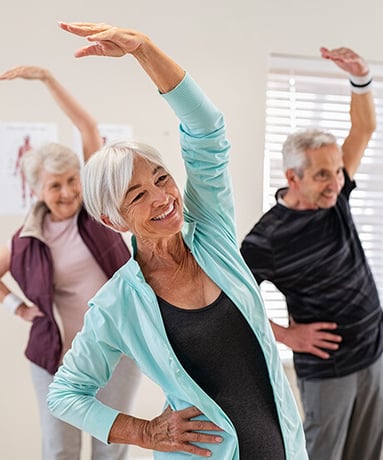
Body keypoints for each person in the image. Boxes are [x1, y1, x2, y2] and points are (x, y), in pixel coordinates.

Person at [47, 22, 308, 460]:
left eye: (161, 178)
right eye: (137, 195)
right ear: (114, 220)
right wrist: (144, 432)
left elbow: (206, 127)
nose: (163, 198)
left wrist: (143, 49)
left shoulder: (212, 234)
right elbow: (66, 393)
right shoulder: (118, 303)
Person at [240, 47, 383, 460]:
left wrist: (360, 77)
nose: (336, 181)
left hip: (373, 349)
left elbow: (365, 128)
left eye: (337, 170)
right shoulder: (267, 238)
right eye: (323, 174)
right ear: (292, 177)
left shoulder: (334, 196)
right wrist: (286, 336)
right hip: (329, 368)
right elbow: (229, 304)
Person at [0, 65, 141, 460]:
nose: (67, 192)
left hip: (117, 350)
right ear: (37, 190)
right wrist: (18, 307)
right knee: (59, 450)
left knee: (109, 449)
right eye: (55, 184)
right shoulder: (27, 240)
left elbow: (88, 128)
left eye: (72, 180)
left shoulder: (96, 211)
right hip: (56, 359)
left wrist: (47, 80)